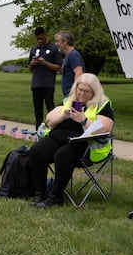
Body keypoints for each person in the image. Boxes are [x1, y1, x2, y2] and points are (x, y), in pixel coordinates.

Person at [29, 73, 114, 208]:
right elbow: (49, 120)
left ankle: (55, 197)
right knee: (36, 151)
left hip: (83, 145)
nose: (81, 94)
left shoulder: (102, 104)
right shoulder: (68, 101)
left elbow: (105, 128)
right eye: (79, 89)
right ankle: (40, 193)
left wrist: (83, 120)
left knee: (62, 155)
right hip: (57, 138)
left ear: (94, 92)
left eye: (86, 91)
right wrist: (63, 116)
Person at [27, 27, 62, 127]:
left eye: (41, 38)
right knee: (38, 110)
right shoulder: (34, 49)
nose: (39, 41)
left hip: (48, 84)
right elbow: (30, 69)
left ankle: (53, 128)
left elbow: (59, 67)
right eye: (37, 39)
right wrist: (32, 64)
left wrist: (45, 63)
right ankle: (38, 130)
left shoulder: (54, 48)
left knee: (50, 108)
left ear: (45, 35)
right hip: (36, 84)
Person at [55, 31, 84, 97]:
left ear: (65, 41)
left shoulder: (73, 55)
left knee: (60, 107)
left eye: (57, 41)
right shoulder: (69, 55)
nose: (56, 44)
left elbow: (79, 73)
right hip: (69, 95)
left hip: (72, 95)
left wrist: (76, 93)